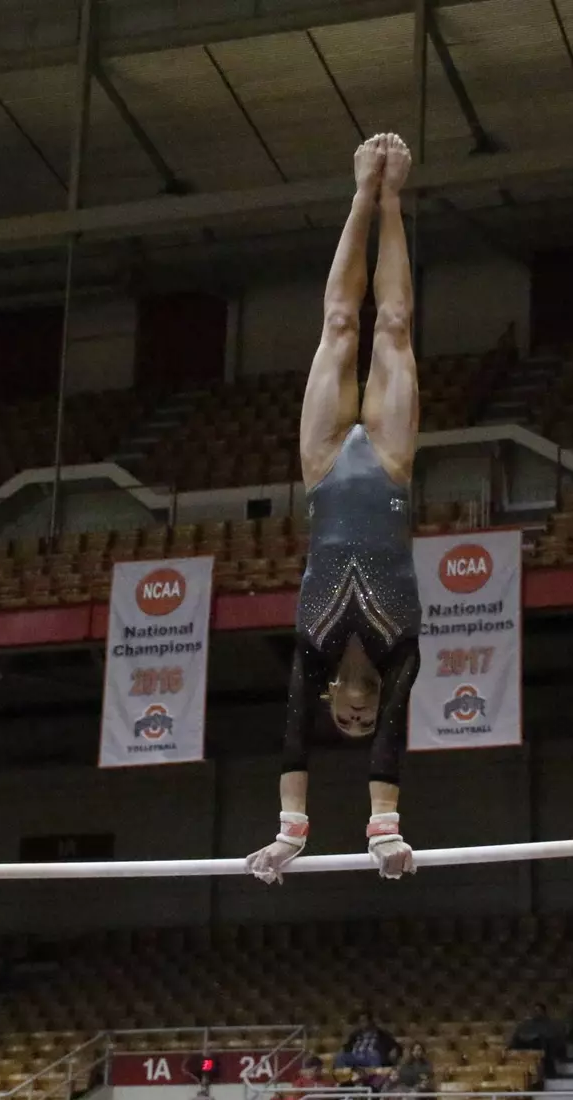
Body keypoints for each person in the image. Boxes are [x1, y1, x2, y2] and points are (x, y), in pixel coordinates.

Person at [244, 132, 423, 885]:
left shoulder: (312, 655)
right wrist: (385, 831)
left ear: (327, 700)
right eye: (360, 723)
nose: (353, 721)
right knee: (390, 329)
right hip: (386, 467)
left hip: (323, 477)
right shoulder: (400, 653)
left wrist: (290, 835)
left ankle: (358, 195)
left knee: (338, 328)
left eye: (341, 722)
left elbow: (291, 741)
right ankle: (389, 199)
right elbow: (391, 748)